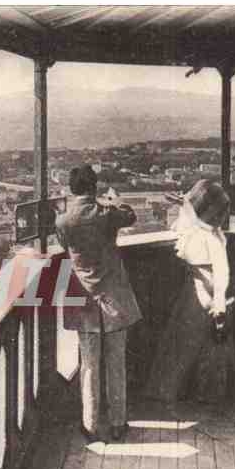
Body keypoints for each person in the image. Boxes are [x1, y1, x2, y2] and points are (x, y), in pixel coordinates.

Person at [55, 165, 142, 442]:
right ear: (93, 187)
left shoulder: (63, 221)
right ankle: (118, 423)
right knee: (116, 363)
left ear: (72, 189)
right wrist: (114, 202)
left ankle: (90, 425)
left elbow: (63, 245)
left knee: (89, 365)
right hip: (115, 298)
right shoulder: (106, 215)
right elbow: (130, 215)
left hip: (83, 301)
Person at [143, 179, 235, 404]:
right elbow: (221, 274)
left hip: (193, 289)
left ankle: (168, 392)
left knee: (181, 345)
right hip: (209, 290)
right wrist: (220, 304)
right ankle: (208, 394)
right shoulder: (213, 237)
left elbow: (188, 218)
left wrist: (183, 203)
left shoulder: (191, 230)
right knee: (209, 346)